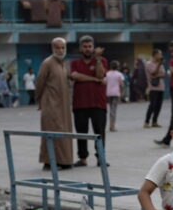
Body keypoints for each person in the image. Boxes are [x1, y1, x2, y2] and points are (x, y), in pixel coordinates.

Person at [70, 35, 109, 167]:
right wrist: (95, 80)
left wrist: (97, 60)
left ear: (93, 48)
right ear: (81, 48)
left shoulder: (102, 60)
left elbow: (100, 75)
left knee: (100, 132)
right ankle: (82, 158)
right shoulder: (75, 63)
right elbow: (76, 77)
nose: (87, 49)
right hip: (79, 104)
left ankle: (100, 158)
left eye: (90, 46)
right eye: (85, 47)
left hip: (98, 103)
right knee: (81, 132)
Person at [37, 37, 74, 170]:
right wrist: (40, 100)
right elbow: (40, 83)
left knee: (65, 131)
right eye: (57, 47)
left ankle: (65, 160)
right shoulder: (47, 63)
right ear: (52, 48)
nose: (60, 50)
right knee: (52, 131)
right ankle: (50, 162)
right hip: (51, 104)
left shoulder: (64, 64)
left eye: (63, 47)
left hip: (63, 105)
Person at [144, 49, 166, 128]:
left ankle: (155, 121)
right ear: (155, 55)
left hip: (161, 87)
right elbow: (153, 72)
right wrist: (159, 66)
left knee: (159, 105)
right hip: (153, 88)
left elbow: (163, 74)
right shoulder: (149, 64)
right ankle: (146, 121)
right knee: (152, 105)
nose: (161, 56)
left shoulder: (161, 64)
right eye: (159, 54)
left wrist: (157, 75)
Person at [105, 60, 124, 131]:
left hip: (109, 93)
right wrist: (121, 93)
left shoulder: (107, 74)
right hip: (116, 93)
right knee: (114, 110)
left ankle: (111, 125)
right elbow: (122, 84)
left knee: (111, 109)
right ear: (117, 66)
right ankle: (112, 126)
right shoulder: (119, 74)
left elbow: (104, 82)